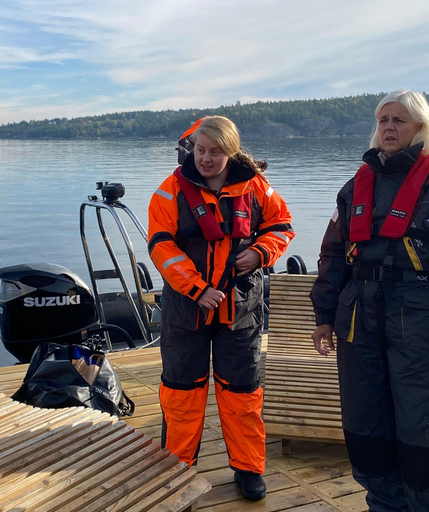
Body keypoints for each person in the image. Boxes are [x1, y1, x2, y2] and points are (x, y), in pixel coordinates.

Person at [310, 90, 429, 511]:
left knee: (420, 434)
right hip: (358, 317)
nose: (388, 128)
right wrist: (323, 315)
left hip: (419, 317)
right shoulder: (355, 186)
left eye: (399, 121)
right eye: (383, 120)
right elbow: (333, 253)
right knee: (366, 429)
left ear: (421, 128)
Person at [148, 116, 294, 500]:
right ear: (191, 148)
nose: (206, 159)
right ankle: (178, 468)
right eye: (200, 150)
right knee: (181, 394)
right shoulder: (170, 190)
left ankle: (248, 469)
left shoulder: (258, 187)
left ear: (230, 152)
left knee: (243, 394)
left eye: (215, 151)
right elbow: (160, 246)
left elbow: (282, 226)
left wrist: (261, 253)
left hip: (240, 310)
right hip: (186, 311)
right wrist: (196, 289)